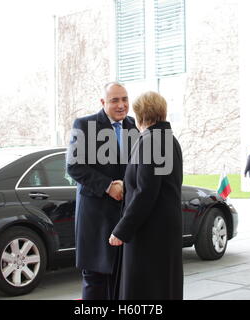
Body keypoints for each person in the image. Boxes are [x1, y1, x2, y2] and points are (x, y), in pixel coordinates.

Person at [109, 91, 184, 300]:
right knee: (165, 287)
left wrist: (122, 230)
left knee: (143, 290)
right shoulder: (169, 139)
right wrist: (128, 183)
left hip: (149, 231)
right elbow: (159, 182)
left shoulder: (149, 140)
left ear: (140, 114)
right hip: (166, 228)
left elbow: (145, 192)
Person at [66, 82, 138, 300]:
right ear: (103, 102)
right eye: (115, 100)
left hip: (123, 215)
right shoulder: (84, 124)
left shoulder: (132, 125)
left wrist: (129, 184)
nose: (121, 105)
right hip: (96, 216)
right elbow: (74, 167)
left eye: (124, 99)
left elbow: (135, 165)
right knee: (95, 278)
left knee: (121, 277)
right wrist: (108, 186)